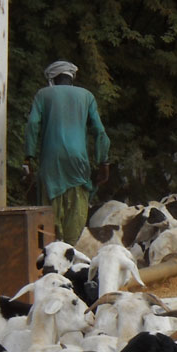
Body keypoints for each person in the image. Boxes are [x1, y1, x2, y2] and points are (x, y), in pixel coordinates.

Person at [24, 61, 110, 244]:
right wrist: (103, 161)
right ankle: (71, 247)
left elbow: (32, 124)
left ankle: (51, 247)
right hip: (78, 161)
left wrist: (28, 157)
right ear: (71, 78)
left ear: (52, 79)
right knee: (77, 205)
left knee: (49, 207)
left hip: (51, 160)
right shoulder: (87, 96)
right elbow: (99, 131)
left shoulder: (43, 94)